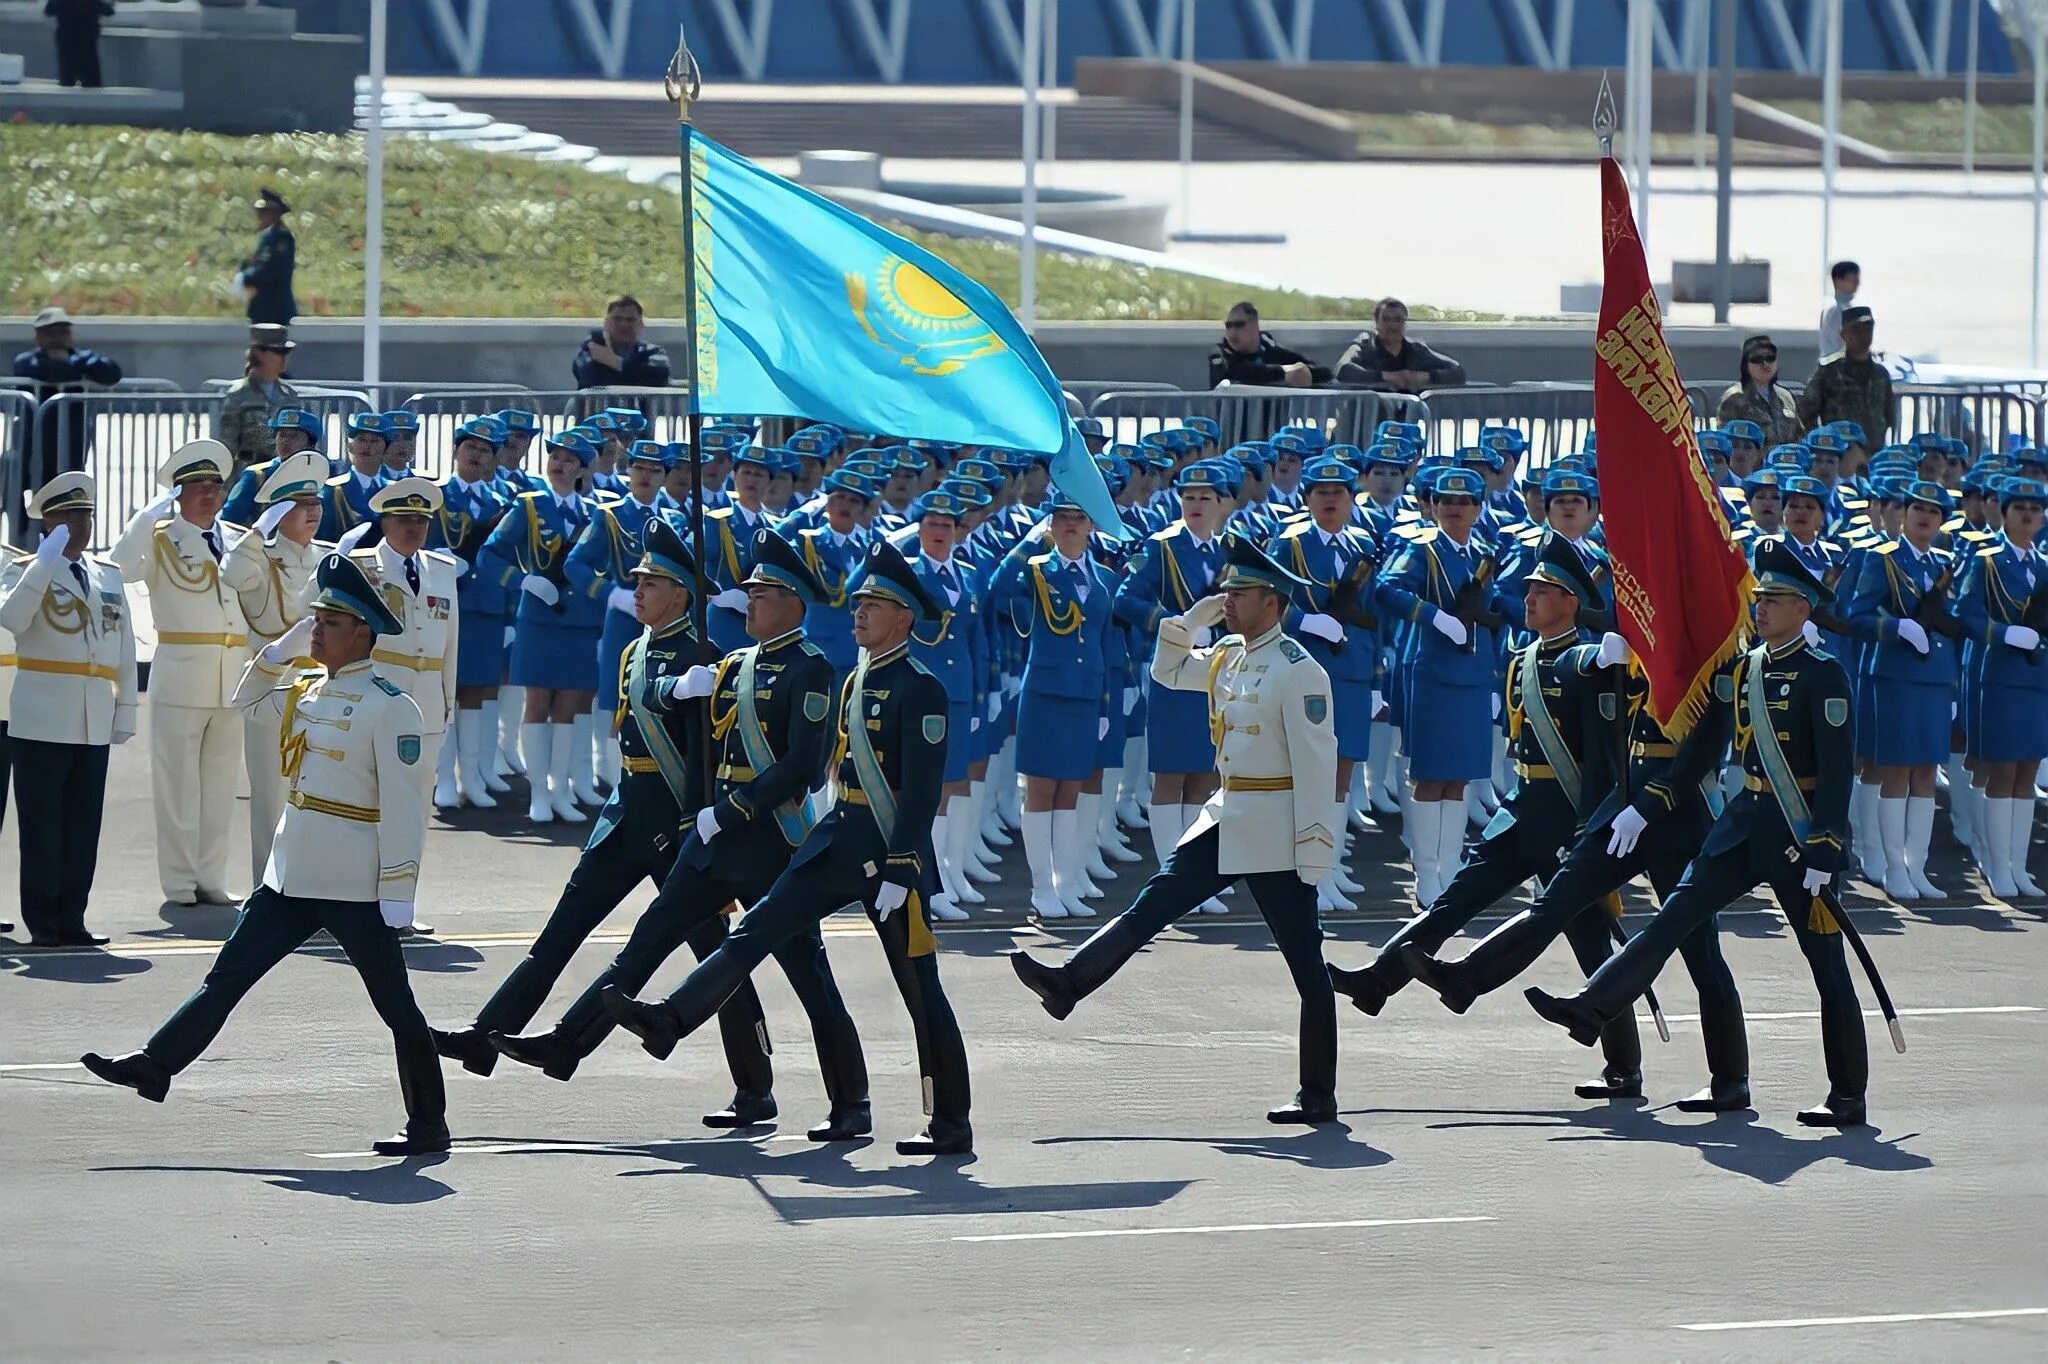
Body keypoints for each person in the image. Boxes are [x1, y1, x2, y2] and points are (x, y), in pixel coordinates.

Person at [603, 539, 975, 1157]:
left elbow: (919, 793)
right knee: (754, 933)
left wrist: (904, 865)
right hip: (838, 838)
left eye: (873, 605)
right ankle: (671, 1019)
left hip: (887, 855)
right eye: (857, 603)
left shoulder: (921, 687)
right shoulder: (857, 677)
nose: (857, 613)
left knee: (920, 993)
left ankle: (950, 1121)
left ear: (904, 617)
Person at [81, 553, 448, 1156]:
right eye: (317, 621)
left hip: (354, 883)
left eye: (329, 623)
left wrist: (399, 894)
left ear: (363, 632)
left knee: (396, 1007)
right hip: (292, 873)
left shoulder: (391, 706)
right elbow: (244, 701)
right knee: (227, 976)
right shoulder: (307, 691)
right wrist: (278, 652)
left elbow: (406, 811)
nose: (318, 631)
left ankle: (428, 1123)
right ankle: (156, 1064)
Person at [1528, 538, 1867, 1128]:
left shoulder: (1824, 675)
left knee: (1825, 964)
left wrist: (1826, 846)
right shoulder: (1743, 667)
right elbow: (1699, 721)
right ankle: (1596, 1008)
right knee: (1672, 920)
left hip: (1797, 831)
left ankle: (1847, 1095)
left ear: (1803, 609)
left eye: (1776, 600)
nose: (1760, 608)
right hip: (1742, 825)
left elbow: (1838, 771)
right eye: (1759, 598)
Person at [1011, 536, 1341, 1123]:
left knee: (1305, 963)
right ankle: (1069, 983)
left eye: (1239, 594)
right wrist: (1188, 621)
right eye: (1227, 593)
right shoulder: (1233, 657)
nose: (1228, 601)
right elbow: (1169, 673)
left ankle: (1317, 1093)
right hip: (1228, 815)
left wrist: (1315, 846)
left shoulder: (1299, 671)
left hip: (1277, 832)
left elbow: (1318, 766)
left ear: (1273, 601)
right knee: (1151, 904)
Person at [1329, 535, 1656, 1095]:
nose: (1528, 598)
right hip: (1523, 810)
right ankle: (1379, 980)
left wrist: (1593, 827)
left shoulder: (1590, 662)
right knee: (1456, 899)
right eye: (1528, 589)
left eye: (1543, 591)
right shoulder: (1523, 659)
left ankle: (1623, 1065)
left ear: (1572, 600)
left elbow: (1606, 754)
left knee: (1590, 942)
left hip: (1568, 818)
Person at [111, 440, 248, 908]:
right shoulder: (160, 539)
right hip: (182, 674)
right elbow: (122, 568)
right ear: (178, 495)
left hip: (232, 678)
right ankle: (179, 881)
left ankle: (211, 876)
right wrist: (145, 518)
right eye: (197, 487)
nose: (209, 495)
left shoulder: (237, 537)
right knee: (177, 788)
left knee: (220, 787)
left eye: (215, 486)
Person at [1, 472, 136, 946]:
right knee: (42, 827)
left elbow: (123, 649)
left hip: (92, 715)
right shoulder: (28, 570)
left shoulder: (106, 575)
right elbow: (13, 621)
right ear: (49, 522)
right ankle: (42, 921)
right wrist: (43, 565)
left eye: (87, 515)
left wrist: (127, 711)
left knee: (82, 825)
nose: (81, 524)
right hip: (42, 713)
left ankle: (72, 917)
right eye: (70, 516)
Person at [988, 491, 1115, 921]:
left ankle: (1064, 882)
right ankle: (1041, 887)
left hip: (1085, 695)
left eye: (1078, 518)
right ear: (1051, 526)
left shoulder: (1103, 578)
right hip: (1045, 693)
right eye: (1061, 519)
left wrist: (1105, 704)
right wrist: (1029, 542)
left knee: (1071, 791)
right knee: (1041, 790)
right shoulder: (1036, 571)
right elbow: (997, 590)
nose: (1070, 526)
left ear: (1091, 526)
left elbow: (1106, 643)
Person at [1841, 481, 1959, 900]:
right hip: (1893, 677)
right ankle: (1892, 868)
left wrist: (1954, 685)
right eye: (1918, 509)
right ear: (1904, 514)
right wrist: (1896, 626)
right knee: (1896, 771)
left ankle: (1916, 866)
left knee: (1926, 772)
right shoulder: (1882, 558)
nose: (1926, 517)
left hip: (1934, 680)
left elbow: (1954, 627)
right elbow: (1855, 615)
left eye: (1934, 511)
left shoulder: (1947, 563)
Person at [477, 427, 601, 823]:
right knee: (537, 703)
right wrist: (523, 580)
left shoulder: (595, 513)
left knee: (568, 705)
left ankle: (561, 788)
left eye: (569, 459)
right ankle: (539, 793)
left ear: (582, 469)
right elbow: (489, 555)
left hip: (579, 620)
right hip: (539, 617)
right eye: (555, 456)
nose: (559, 464)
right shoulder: (528, 506)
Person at [218, 451, 329, 888]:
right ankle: (269, 890)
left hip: (318, 685)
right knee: (271, 794)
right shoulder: (258, 557)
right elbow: (232, 576)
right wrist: (255, 534)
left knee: (316, 792)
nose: (312, 512)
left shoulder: (325, 555)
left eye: (315, 503)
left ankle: (311, 885)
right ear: (279, 513)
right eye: (300, 506)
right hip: (271, 683)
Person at [1956, 475, 2048, 899]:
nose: (2028, 516)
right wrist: (2005, 635)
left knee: (2028, 771)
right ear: (2006, 514)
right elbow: (1966, 616)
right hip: (2001, 676)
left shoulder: (2044, 566)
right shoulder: (1987, 560)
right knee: (2003, 771)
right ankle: (1996, 867)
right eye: (2020, 509)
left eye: (2035, 510)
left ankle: (2018, 866)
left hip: (2035, 678)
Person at [349, 480, 461, 820]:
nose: (415, 528)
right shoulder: (362, 565)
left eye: (422, 521)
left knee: (418, 801)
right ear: (385, 523)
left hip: (428, 701)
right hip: (379, 695)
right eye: (404, 520)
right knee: (372, 798)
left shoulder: (442, 570)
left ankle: (407, 872)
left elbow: (451, 642)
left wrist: (447, 701)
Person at [13, 307, 122, 490]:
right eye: (50, 333)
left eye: (62, 332)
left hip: (72, 436)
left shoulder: (83, 358)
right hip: (33, 438)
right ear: (38, 336)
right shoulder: (26, 361)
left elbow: (112, 373)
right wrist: (75, 369)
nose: (57, 338)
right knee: (20, 486)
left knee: (67, 488)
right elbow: (46, 371)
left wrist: (74, 361)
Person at [1798, 305, 1893, 447]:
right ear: (1843, 334)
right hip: (1838, 457)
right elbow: (1805, 413)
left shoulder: (1881, 375)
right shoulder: (1828, 374)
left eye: (1868, 329)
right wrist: (1821, 445)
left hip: (1873, 457)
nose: (1864, 335)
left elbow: (1889, 416)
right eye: (1857, 331)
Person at [213, 326, 301, 475]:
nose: (284, 358)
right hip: (248, 477)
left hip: (282, 476)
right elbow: (226, 447)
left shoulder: (289, 395)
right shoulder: (237, 395)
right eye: (278, 352)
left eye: (286, 353)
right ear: (259, 354)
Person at [1334, 298, 1466, 393]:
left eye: (1398, 320)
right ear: (1376, 323)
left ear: (1405, 323)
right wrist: (1385, 377)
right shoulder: (1365, 346)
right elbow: (1342, 369)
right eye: (1386, 320)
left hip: (1404, 424)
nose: (1392, 325)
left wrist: (1425, 377)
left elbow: (1457, 371)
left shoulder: (1416, 351)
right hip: (1364, 422)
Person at [1208, 301, 1329, 389]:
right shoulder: (1219, 354)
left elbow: (1322, 372)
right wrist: (1284, 372)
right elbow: (1238, 371)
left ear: (1255, 325)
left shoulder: (1270, 350)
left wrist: (1304, 373)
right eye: (1228, 325)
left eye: (1239, 325)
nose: (1232, 332)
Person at [1715, 334, 1802, 446]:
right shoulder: (1734, 399)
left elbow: (1800, 437)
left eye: (1770, 358)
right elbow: (1726, 443)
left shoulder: (1786, 397)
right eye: (1757, 359)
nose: (1765, 364)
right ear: (1746, 365)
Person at [573, 294, 672, 390]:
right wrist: (636, 372)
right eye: (617, 319)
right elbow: (589, 379)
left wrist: (614, 362)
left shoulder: (653, 351)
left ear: (641, 324)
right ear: (606, 322)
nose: (624, 325)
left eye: (630, 320)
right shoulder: (591, 347)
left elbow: (660, 377)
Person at [238, 188, 298, 327]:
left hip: (275, 310)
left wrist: (245, 277)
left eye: (264, 213)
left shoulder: (281, 238)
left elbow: (268, 269)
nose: (260, 217)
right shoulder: (268, 236)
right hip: (262, 308)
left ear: (275, 215)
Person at [46, 0, 113, 88]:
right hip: (87, 44)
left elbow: (49, 10)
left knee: (66, 82)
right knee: (92, 83)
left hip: (66, 42)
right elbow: (109, 11)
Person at [1819, 259, 1860, 357]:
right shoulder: (1834, 311)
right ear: (1838, 281)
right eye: (1852, 280)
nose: (1857, 284)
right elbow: (1836, 347)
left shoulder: (1846, 308)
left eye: (1857, 280)